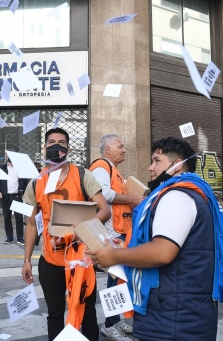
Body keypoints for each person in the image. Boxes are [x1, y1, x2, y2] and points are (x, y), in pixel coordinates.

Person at [88, 137, 220, 340]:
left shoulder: (177, 196)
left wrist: (115, 256)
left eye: (157, 161)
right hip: (179, 314)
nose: (150, 168)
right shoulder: (188, 193)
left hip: (173, 319)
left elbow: (162, 252)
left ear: (176, 165)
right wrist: (126, 248)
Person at [21, 127, 110, 341]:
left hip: (80, 260)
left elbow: (105, 210)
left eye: (61, 143)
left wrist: (85, 228)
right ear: (44, 147)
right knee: (54, 315)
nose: (56, 146)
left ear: (68, 148)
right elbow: (31, 224)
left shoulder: (82, 175)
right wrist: (26, 260)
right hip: (50, 261)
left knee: (87, 314)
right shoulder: (35, 183)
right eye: (51, 142)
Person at [89, 134, 144, 341]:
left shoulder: (112, 169)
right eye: (120, 146)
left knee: (119, 280)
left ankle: (115, 320)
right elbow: (104, 194)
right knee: (114, 280)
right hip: (110, 234)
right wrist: (133, 198)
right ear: (107, 148)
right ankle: (109, 325)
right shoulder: (101, 166)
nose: (124, 150)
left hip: (118, 231)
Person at [0, 153, 28, 245]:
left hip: (17, 196)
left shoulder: (19, 169)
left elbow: (25, 181)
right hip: (5, 196)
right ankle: (9, 237)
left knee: (19, 217)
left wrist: (22, 192)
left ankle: (20, 238)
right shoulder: (2, 168)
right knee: (7, 217)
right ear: (6, 157)